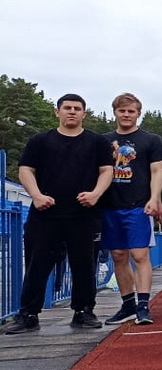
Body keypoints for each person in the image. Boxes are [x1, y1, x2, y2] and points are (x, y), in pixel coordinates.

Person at [5, 94, 114, 334]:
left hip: (84, 213)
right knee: (37, 264)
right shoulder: (40, 141)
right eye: (67, 108)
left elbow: (107, 170)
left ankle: (83, 311)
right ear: (58, 112)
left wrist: (95, 193)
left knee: (85, 265)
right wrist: (36, 195)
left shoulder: (97, 142)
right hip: (45, 213)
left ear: (84, 114)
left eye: (77, 108)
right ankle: (29, 315)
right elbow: (26, 170)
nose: (72, 111)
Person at [101, 93, 162, 327]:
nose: (126, 115)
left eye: (131, 111)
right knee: (118, 256)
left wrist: (154, 198)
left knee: (140, 255)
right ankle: (127, 303)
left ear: (139, 113)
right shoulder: (104, 140)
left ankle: (143, 305)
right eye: (122, 111)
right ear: (115, 113)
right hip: (110, 205)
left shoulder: (151, 140)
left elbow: (157, 171)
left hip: (138, 205)